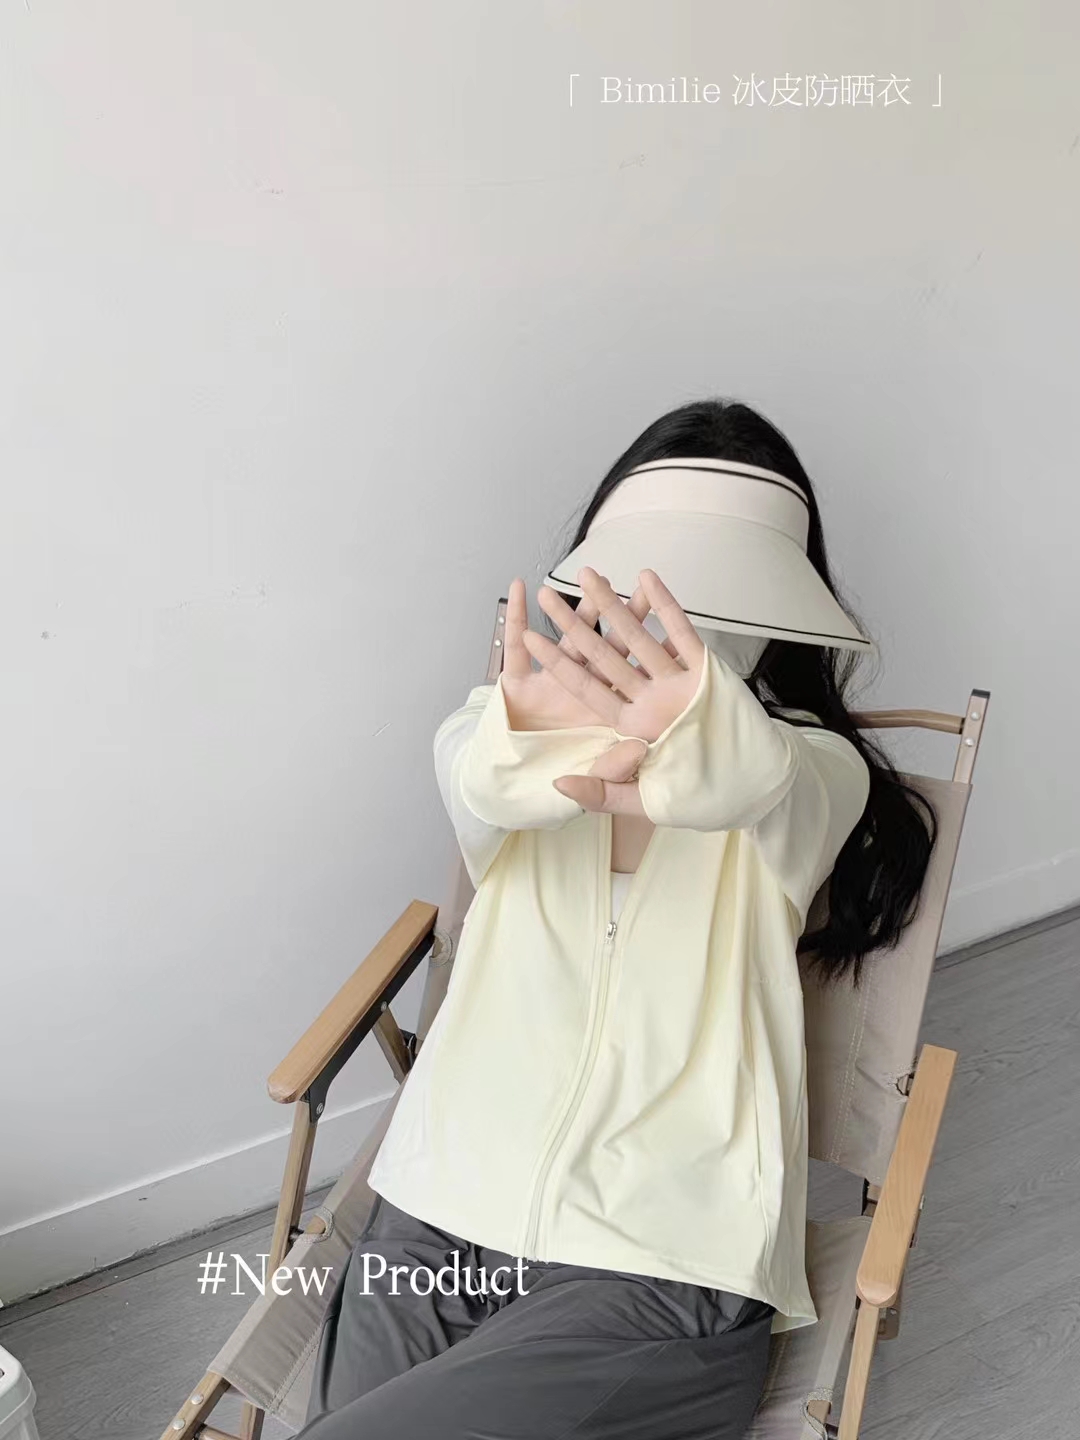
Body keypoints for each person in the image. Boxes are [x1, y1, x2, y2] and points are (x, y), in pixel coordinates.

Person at [296, 399, 937, 1440]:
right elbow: (482, 775)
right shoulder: (503, 727)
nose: (674, 613)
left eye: (716, 585)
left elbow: (747, 777)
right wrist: (534, 740)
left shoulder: (813, 770)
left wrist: (691, 731)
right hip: (437, 1215)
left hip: (663, 1264)